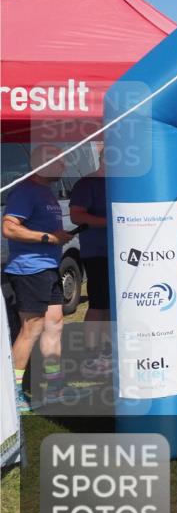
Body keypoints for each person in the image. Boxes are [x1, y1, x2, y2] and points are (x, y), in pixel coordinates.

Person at [2, 147, 74, 410]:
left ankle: (54, 388)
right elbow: (9, 227)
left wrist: (56, 235)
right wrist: (48, 238)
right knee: (30, 329)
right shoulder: (25, 191)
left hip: (49, 266)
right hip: (30, 270)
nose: (65, 167)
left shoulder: (46, 192)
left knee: (54, 324)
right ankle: (12, 394)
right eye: (60, 162)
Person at [69, 149, 112, 379]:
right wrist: (110, 222)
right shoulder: (88, 183)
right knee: (99, 305)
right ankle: (92, 357)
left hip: (123, 254)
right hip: (98, 253)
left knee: (113, 306)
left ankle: (107, 354)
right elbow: (77, 216)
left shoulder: (123, 183)